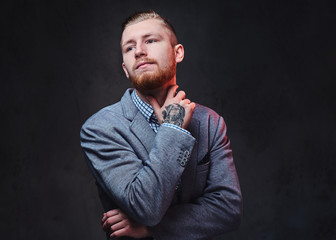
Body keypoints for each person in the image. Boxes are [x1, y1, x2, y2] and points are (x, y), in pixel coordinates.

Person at [80, 10, 242, 240]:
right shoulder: (99, 129)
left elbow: (228, 210)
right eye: (129, 47)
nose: (139, 51)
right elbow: (146, 207)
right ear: (125, 69)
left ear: (178, 53)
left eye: (150, 40)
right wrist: (173, 128)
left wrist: (150, 230)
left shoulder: (210, 122)